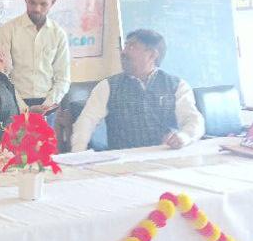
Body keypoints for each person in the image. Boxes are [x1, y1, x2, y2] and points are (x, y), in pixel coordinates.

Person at [70, 29, 205, 152]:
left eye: (132, 47)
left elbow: (193, 120)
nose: (123, 52)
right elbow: (86, 121)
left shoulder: (176, 86)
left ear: (152, 55)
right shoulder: (108, 86)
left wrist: (184, 136)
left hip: (165, 155)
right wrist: (77, 153)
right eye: (125, 46)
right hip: (123, 160)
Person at [0, 0, 70, 124]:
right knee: (15, 142)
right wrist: (25, 109)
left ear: (53, 2)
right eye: (32, 2)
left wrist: (45, 107)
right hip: (15, 106)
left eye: (43, 4)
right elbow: (2, 76)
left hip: (48, 108)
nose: (37, 8)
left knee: (46, 141)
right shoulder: (7, 31)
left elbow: (63, 78)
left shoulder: (58, 34)